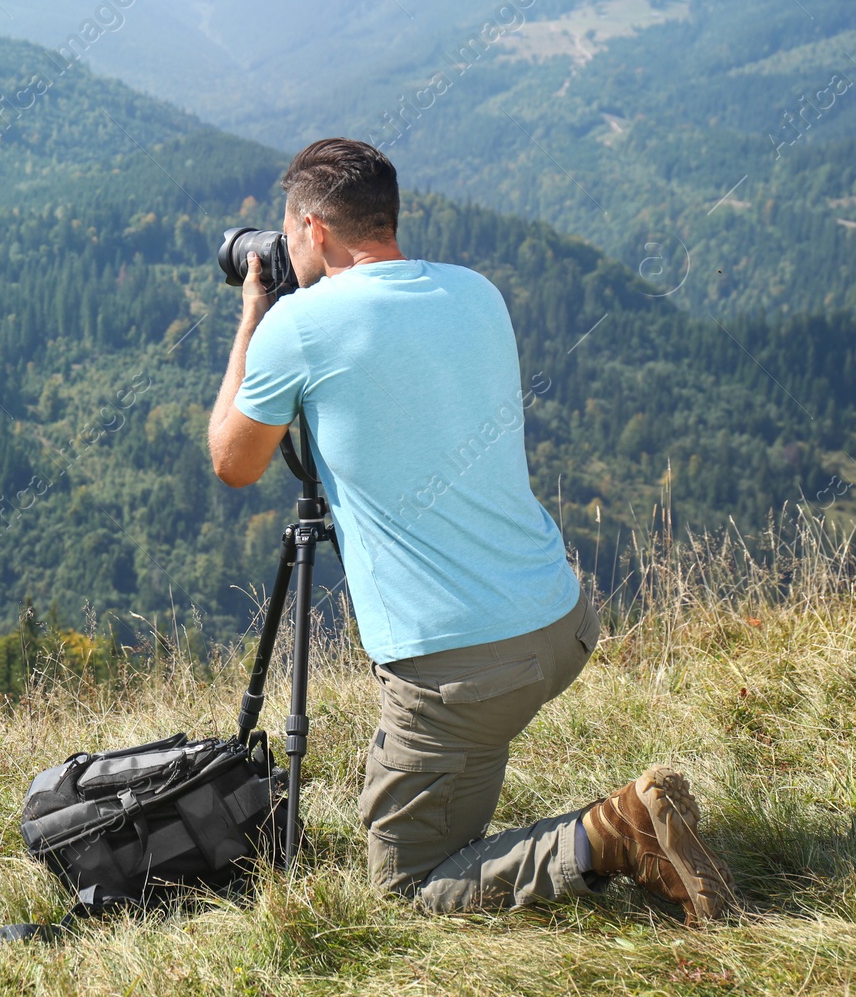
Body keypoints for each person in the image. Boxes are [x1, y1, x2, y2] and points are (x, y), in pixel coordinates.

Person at [205, 137, 736, 922]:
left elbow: (232, 461)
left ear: (314, 230)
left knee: (407, 883)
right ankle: (476, 780)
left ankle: (616, 831)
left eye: (286, 235)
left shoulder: (300, 327)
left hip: (461, 669)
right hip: (560, 618)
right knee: (462, 755)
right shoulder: (476, 291)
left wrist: (255, 316)